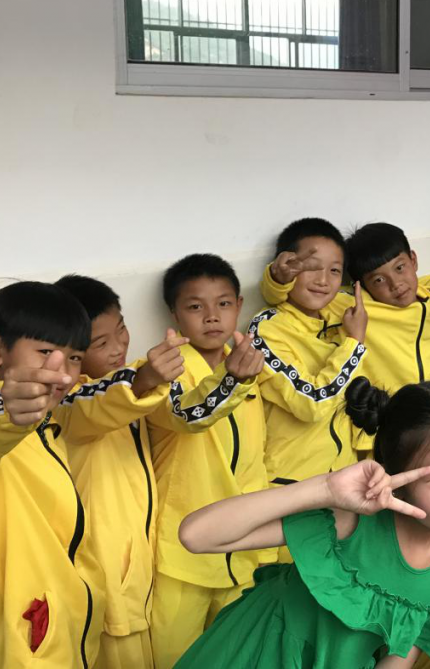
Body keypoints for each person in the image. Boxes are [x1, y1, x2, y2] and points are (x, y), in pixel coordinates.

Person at [0, 282, 182, 669]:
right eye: (46, 352)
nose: (61, 372)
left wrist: (146, 378)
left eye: (74, 358)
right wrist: (3, 410)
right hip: (31, 646)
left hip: (74, 633)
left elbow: (93, 404)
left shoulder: (50, 424)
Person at [173, 365, 430, 668]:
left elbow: (401, 654)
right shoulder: (351, 521)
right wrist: (325, 488)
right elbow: (196, 535)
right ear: (398, 477)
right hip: (253, 654)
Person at [147, 254, 270, 668]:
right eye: (195, 306)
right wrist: (232, 380)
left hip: (243, 550)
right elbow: (187, 416)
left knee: (239, 659)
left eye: (223, 303)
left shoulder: (253, 365)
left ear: (239, 305)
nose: (212, 316)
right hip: (181, 557)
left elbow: (258, 459)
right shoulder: (161, 373)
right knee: (175, 660)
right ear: (174, 313)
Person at [56, 274, 158, 669]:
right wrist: (144, 380)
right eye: (101, 343)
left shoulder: (124, 384)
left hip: (141, 571)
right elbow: (97, 404)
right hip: (107, 577)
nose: (118, 347)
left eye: (122, 330)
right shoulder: (68, 403)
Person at [261, 222, 430, 394]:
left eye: (400, 268)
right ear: (361, 285)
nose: (396, 284)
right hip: (383, 415)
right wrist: (278, 278)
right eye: (379, 280)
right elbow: (283, 297)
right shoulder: (354, 304)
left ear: (413, 261)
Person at [246, 219, 369, 494]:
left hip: (346, 478)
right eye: (312, 267)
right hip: (292, 484)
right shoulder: (267, 328)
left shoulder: (343, 311)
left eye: (334, 270)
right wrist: (353, 345)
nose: (323, 281)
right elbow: (310, 404)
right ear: (287, 265)